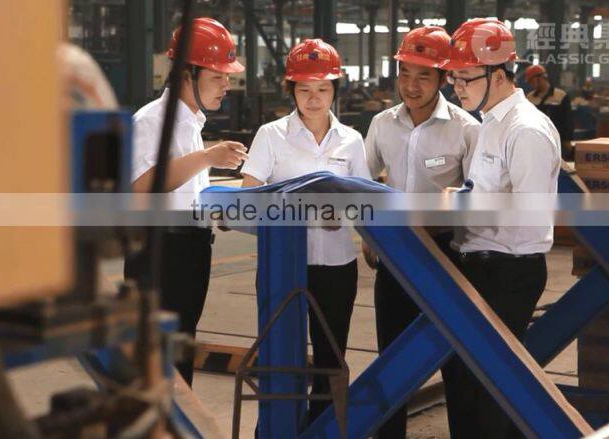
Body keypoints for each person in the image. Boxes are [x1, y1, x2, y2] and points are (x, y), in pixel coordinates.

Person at [240, 38, 371, 424]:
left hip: (336, 266)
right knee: (283, 358)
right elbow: (250, 199)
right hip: (283, 266)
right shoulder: (270, 136)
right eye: (304, 90)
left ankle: (322, 430)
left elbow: (365, 203)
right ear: (291, 90)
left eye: (323, 89)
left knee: (330, 361)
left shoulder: (351, 140)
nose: (313, 99)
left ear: (335, 90)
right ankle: (277, 430)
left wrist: (343, 215)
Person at [442, 18, 561, 438]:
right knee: (461, 379)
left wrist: (465, 206)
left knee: (493, 388)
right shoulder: (490, 121)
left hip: (507, 271)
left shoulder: (525, 130)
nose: (456, 87)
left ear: (498, 74)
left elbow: (528, 212)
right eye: (453, 78)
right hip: (477, 263)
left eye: (464, 77)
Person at [361, 25, 480, 438]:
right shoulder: (381, 124)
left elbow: (476, 199)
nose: (410, 86)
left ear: (445, 78)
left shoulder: (465, 128)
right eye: (404, 74)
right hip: (394, 257)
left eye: (423, 76)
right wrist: (368, 234)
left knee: (456, 360)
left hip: (447, 256)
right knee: (391, 361)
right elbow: (364, 183)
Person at [125, 17, 249, 386]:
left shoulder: (189, 123)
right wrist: (208, 158)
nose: (227, 85)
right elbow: (140, 188)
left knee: (179, 349)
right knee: (159, 359)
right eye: (217, 77)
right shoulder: (152, 122)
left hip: (190, 248)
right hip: (161, 254)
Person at [525, 64, 573, 159]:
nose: (531, 84)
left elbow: (568, 121)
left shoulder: (560, 96)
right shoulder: (529, 98)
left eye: (531, 81)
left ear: (540, 78)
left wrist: (567, 140)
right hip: (536, 142)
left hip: (558, 142)